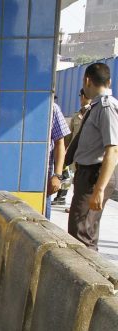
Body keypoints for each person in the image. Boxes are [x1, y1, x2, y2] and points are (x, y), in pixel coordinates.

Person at [66, 62, 118, 250]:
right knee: (82, 231)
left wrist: (99, 189)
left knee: (81, 235)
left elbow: (113, 149)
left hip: (94, 177)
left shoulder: (106, 108)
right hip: (88, 176)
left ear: (87, 80)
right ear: (109, 81)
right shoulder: (96, 107)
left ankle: (85, 278)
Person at [54, 88, 90, 206]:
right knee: (74, 179)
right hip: (76, 154)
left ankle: (80, 204)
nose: (80, 99)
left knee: (85, 182)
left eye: (81, 96)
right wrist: (63, 153)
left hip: (88, 155)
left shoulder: (94, 112)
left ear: (84, 96)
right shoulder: (76, 115)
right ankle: (73, 202)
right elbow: (68, 137)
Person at [44, 102, 70, 219]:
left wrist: (58, 175)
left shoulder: (52, 108)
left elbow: (60, 143)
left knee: (42, 224)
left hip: (44, 179)